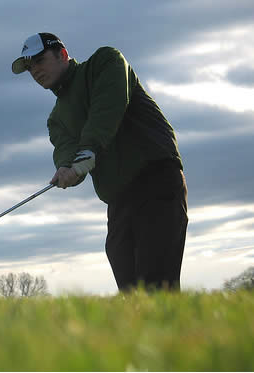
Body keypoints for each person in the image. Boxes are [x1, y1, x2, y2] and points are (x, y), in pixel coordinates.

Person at [12, 33, 188, 291]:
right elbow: (65, 150)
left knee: (156, 288)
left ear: (62, 54)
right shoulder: (56, 119)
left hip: (156, 182)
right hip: (118, 201)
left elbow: (107, 108)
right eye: (29, 67)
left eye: (39, 60)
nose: (35, 70)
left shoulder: (105, 62)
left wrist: (86, 151)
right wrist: (65, 168)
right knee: (130, 293)